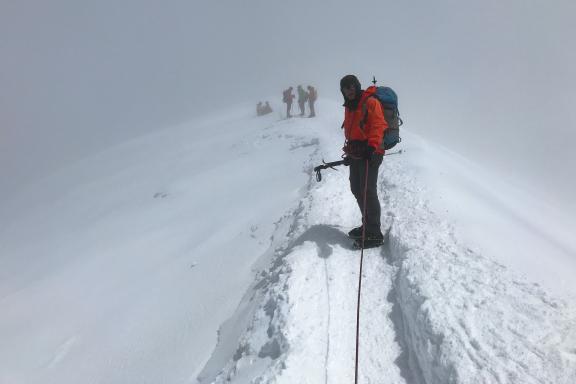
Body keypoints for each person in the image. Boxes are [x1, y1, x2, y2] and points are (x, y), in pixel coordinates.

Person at [339, 75, 388, 248]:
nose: (349, 90)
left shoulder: (369, 101)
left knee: (367, 190)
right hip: (356, 153)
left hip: (371, 152)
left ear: (357, 86)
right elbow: (353, 130)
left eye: (352, 86)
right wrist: (349, 152)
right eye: (346, 88)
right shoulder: (349, 106)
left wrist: (372, 147)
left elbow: (379, 125)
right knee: (356, 187)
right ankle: (367, 225)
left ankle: (374, 233)